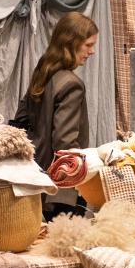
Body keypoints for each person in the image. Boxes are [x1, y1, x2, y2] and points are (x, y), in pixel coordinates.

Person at [14, 12, 97, 216]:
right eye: (88, 45)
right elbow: (65, 143)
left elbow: (21, 120)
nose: (92, 51)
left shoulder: (43, 73)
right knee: (66, 243)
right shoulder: (71, 85)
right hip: (61, 185)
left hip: (35, 174)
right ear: (72, 42)